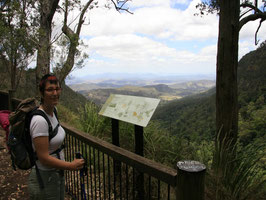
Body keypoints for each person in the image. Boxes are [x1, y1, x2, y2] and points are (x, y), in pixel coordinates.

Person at [28, 74, 85, 200]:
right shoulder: (39, 121)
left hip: (56, 174)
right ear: (42, 93)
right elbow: (43, 158)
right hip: (44, 177)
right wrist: (70, 166)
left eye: (57, 89)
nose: (55, 93)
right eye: (50, 89)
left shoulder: (54, 111)